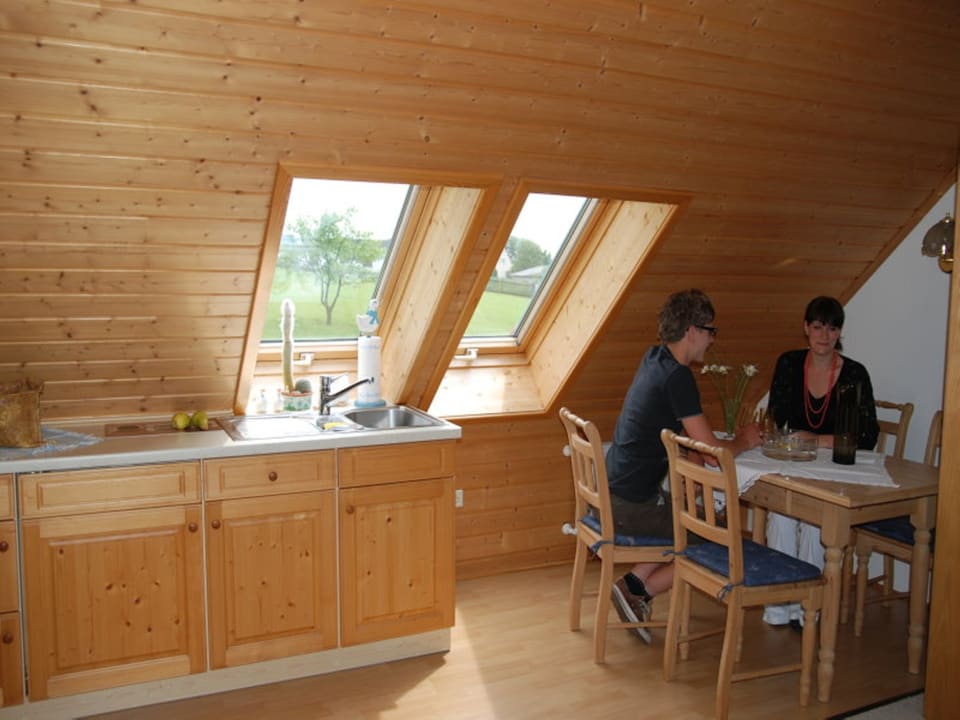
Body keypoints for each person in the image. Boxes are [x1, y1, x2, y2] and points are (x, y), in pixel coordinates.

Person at [605, 288, 762, 642]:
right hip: (630, 506)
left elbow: (688, 438)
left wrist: (704, 453)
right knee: (714, 535)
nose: (712, 339)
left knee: (696, 519)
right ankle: (639, 591)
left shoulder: (654, 358)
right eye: (710, 331)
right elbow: (713, 452)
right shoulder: (678, 377)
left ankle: (632, 584)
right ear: (692, 330)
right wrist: (744, 440)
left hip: (616, 493)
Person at [763, 295, 879, 628]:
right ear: (806, 328)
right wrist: (808, 439)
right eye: (817, 327)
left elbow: (866, 436)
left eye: (832, 328)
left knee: (817, 522)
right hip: (793, 460)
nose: (824, 335)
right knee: (781, 516)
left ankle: (808, 609)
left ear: (839, 332)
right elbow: (777, 420)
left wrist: (814, 439)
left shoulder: (854, 373)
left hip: (834, 466)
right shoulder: (789, 363)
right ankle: (779, 604)